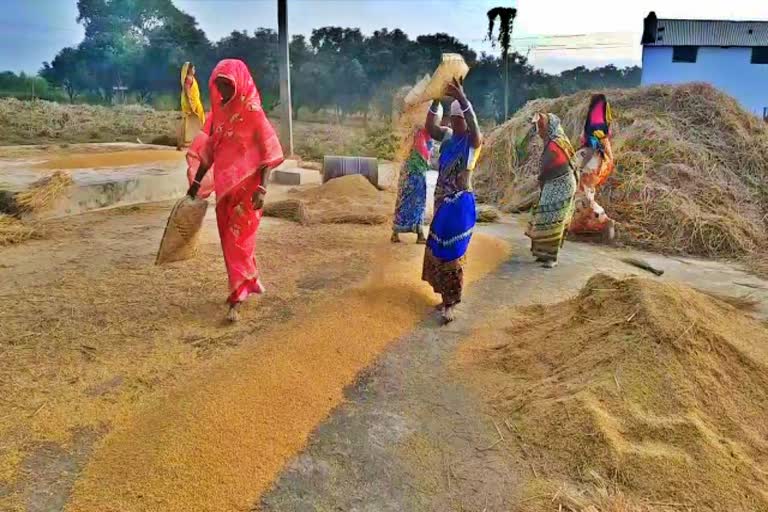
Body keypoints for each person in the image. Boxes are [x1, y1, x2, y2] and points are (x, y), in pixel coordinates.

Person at [186, 59, 284, 322]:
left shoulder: (252, 111)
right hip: (224, 190)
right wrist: (196, 183)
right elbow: (208, 153)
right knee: (229, 242)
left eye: (227, 85)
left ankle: (236, 295)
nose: (223, 91)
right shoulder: (219, 113)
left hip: (249, 190)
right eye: (218, 85)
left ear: (239, 83)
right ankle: (248, 280)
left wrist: (262, 188)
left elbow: (268, 150)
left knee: (239, 241)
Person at [422, 78, 482, 323]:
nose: (452, 121)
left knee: (453, 253)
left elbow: (475, 127)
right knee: (438, 250)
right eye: (452, 117)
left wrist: (462, 99)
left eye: (456, 118)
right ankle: (444, 297)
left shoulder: (472, 142)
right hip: (441, 203)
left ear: (463, 120)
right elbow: (430, 127)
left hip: (458, 205)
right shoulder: (447, 137)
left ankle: (451, 304)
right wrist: (436, 99)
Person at [526, 112, 577, 269]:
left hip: (562, 185)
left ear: (549, 128)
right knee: (544, 218)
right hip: (553, 184)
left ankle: (551, 258)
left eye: (541, 128)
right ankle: (542, 254)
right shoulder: (552, 142)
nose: (539, 131)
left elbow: (555, 167)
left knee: (553, 221)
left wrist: (541, 179)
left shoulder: (556, 144)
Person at [569, 93, 616, 240]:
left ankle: (602, 221)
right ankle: (588, 225)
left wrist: (582, 164)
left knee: (583, 194)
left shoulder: (595, 117)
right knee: (586, 193)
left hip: (592, 161)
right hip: (602, 163)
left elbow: (592, 142)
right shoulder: (604, 116)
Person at [391, 102, 437, 244]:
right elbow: (423, 153)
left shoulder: (423, 133)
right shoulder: (419, 133)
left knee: (406, 201)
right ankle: (418, 234)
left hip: (411, 172)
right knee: (415, 202)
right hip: (414, 173)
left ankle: (398, 233)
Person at [178, 62, 206, 151]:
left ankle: (194, 143)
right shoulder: (188, 79)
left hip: (195, 103)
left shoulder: (191, 78)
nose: (194, 70)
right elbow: (187, 93)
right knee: (188, 123)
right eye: (193, 69)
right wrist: (191, 104)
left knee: (195, 122)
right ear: (189, 70)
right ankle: (182, 143)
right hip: (191, 104)